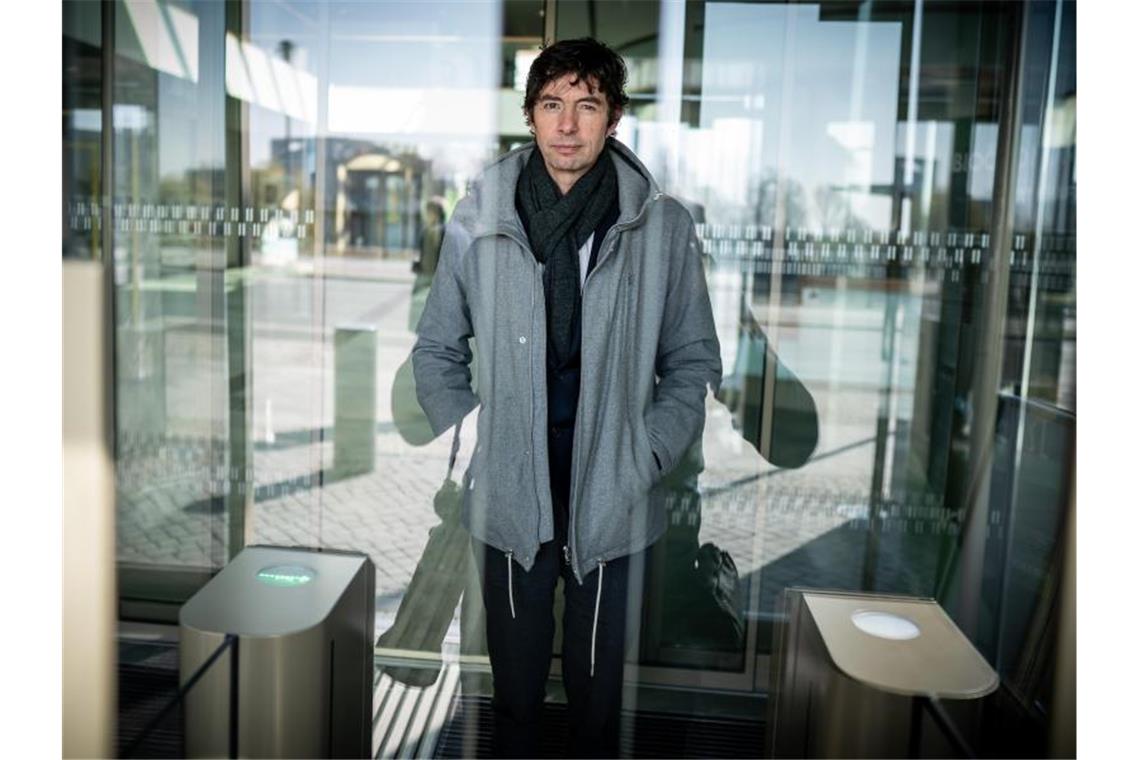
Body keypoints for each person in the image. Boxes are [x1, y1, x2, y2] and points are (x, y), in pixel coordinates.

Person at [412, 37, 721, 758]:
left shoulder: (661, 227)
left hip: (613, 497)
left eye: (588, 106)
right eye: (552, 105)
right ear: (530, 115)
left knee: (594, 705)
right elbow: (435, 349)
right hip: (513, 494)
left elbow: (692, 360)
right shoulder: (479, 217)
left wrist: (645, 453)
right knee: (514, 698)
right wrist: (481, 429)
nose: (568, 125)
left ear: (614, 119)